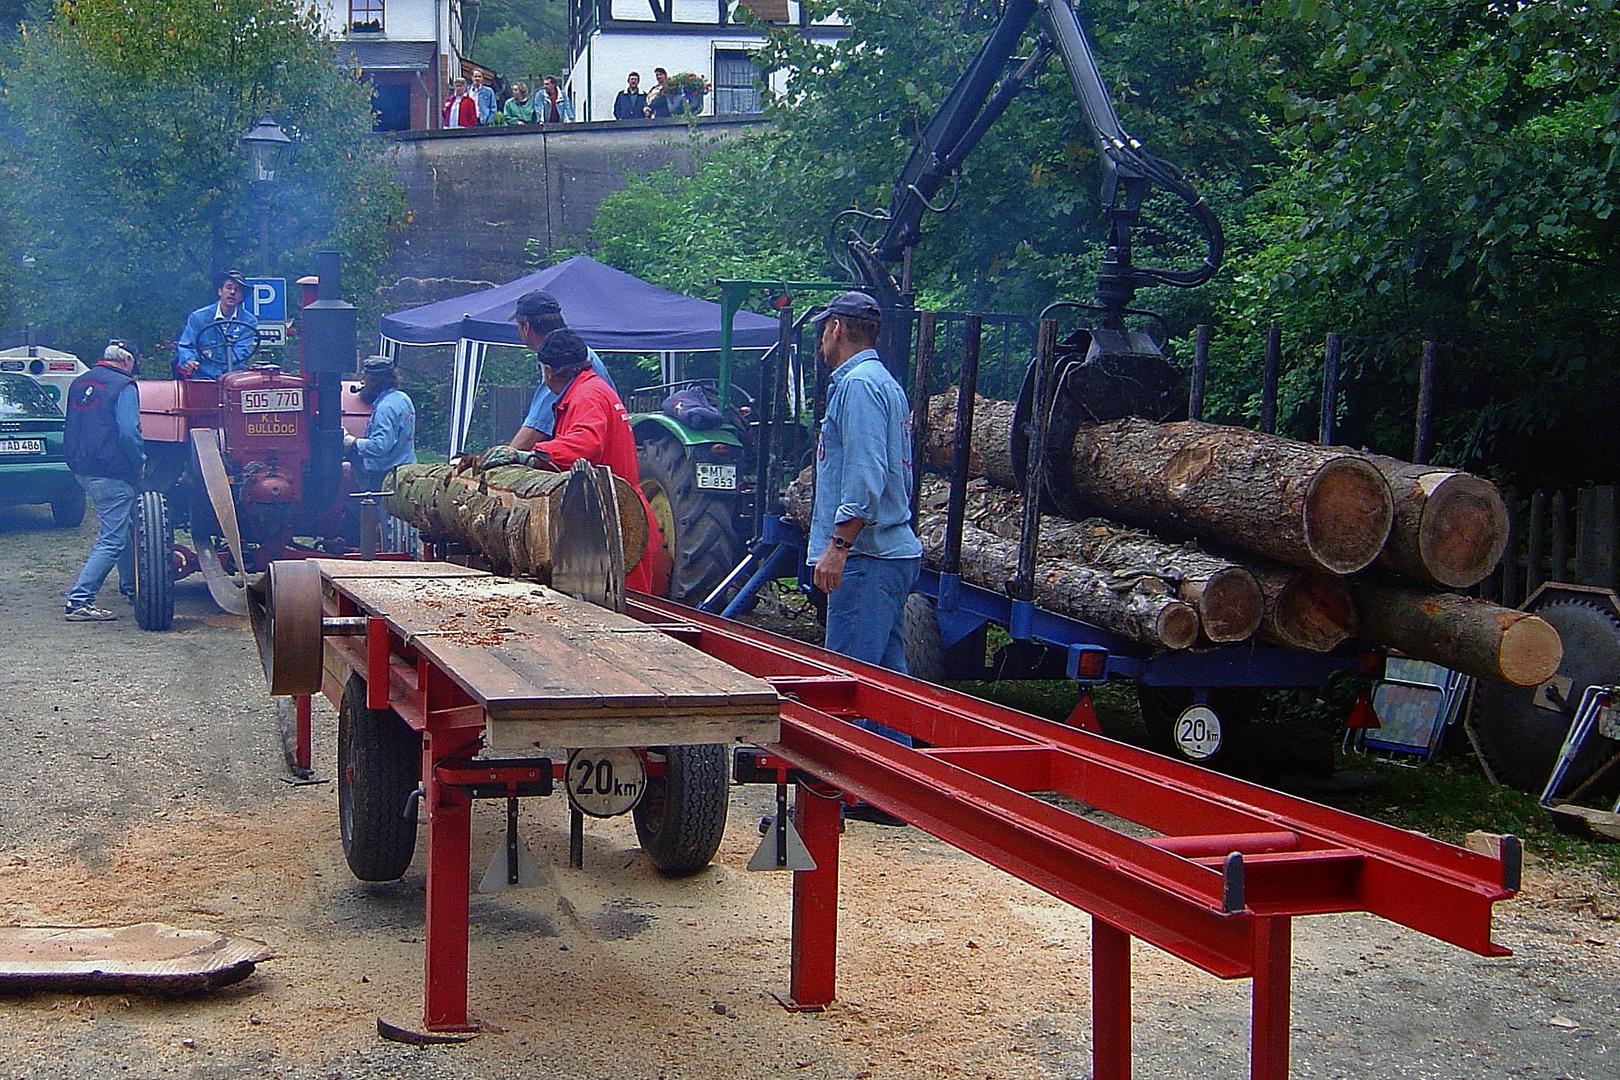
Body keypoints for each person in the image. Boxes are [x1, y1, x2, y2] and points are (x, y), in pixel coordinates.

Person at [481, 329, 660, 593]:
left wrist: (532, 456)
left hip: (616, 521)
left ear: (549, 371)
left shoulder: (586, 395)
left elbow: (587, 444)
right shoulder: (590, 389)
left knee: (622, 618)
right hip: (612, 513)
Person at [807, 291, 923, 673]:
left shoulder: (859, 386)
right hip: (883, 557)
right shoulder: (881, 382)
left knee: (848, 687)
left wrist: (839, 545)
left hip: (866, 560)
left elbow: (865, 475)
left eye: (825, 327)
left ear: (837, 329)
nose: (822, 337)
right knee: (885, 694)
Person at [63, 342, 145, 621]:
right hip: (112, 472)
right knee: (111, 539)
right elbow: (127, 431)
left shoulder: (79, 382)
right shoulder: (124, 386)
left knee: (125, 526)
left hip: (83, 469)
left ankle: (131, 585)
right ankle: (80, 600)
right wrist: (139, 461)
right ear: (128, 360)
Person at [501, 289, 616, 446]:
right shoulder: (579, 352)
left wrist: (501, 460)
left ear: (526, 327)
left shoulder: (560, 360)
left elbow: (536, 429)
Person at [343, 355, 417, 492]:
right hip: (406, 470)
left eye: (365, 378)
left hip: (386, 477)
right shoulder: (403, 399)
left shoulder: (385, 409)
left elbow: (379, 446)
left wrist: (352, 442)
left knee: (377, 510)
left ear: (374, 381)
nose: (363, 382)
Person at [174, 269, 259, 379]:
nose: (232, 292)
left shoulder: (248, 322)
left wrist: (226, 373)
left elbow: (242, 351)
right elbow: (187, 345)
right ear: (220, 291)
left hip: (233, 380)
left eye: (237, 290)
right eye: (228, 287)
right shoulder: (198, 317)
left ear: (242, 297)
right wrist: (190, 362)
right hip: (202, 379)